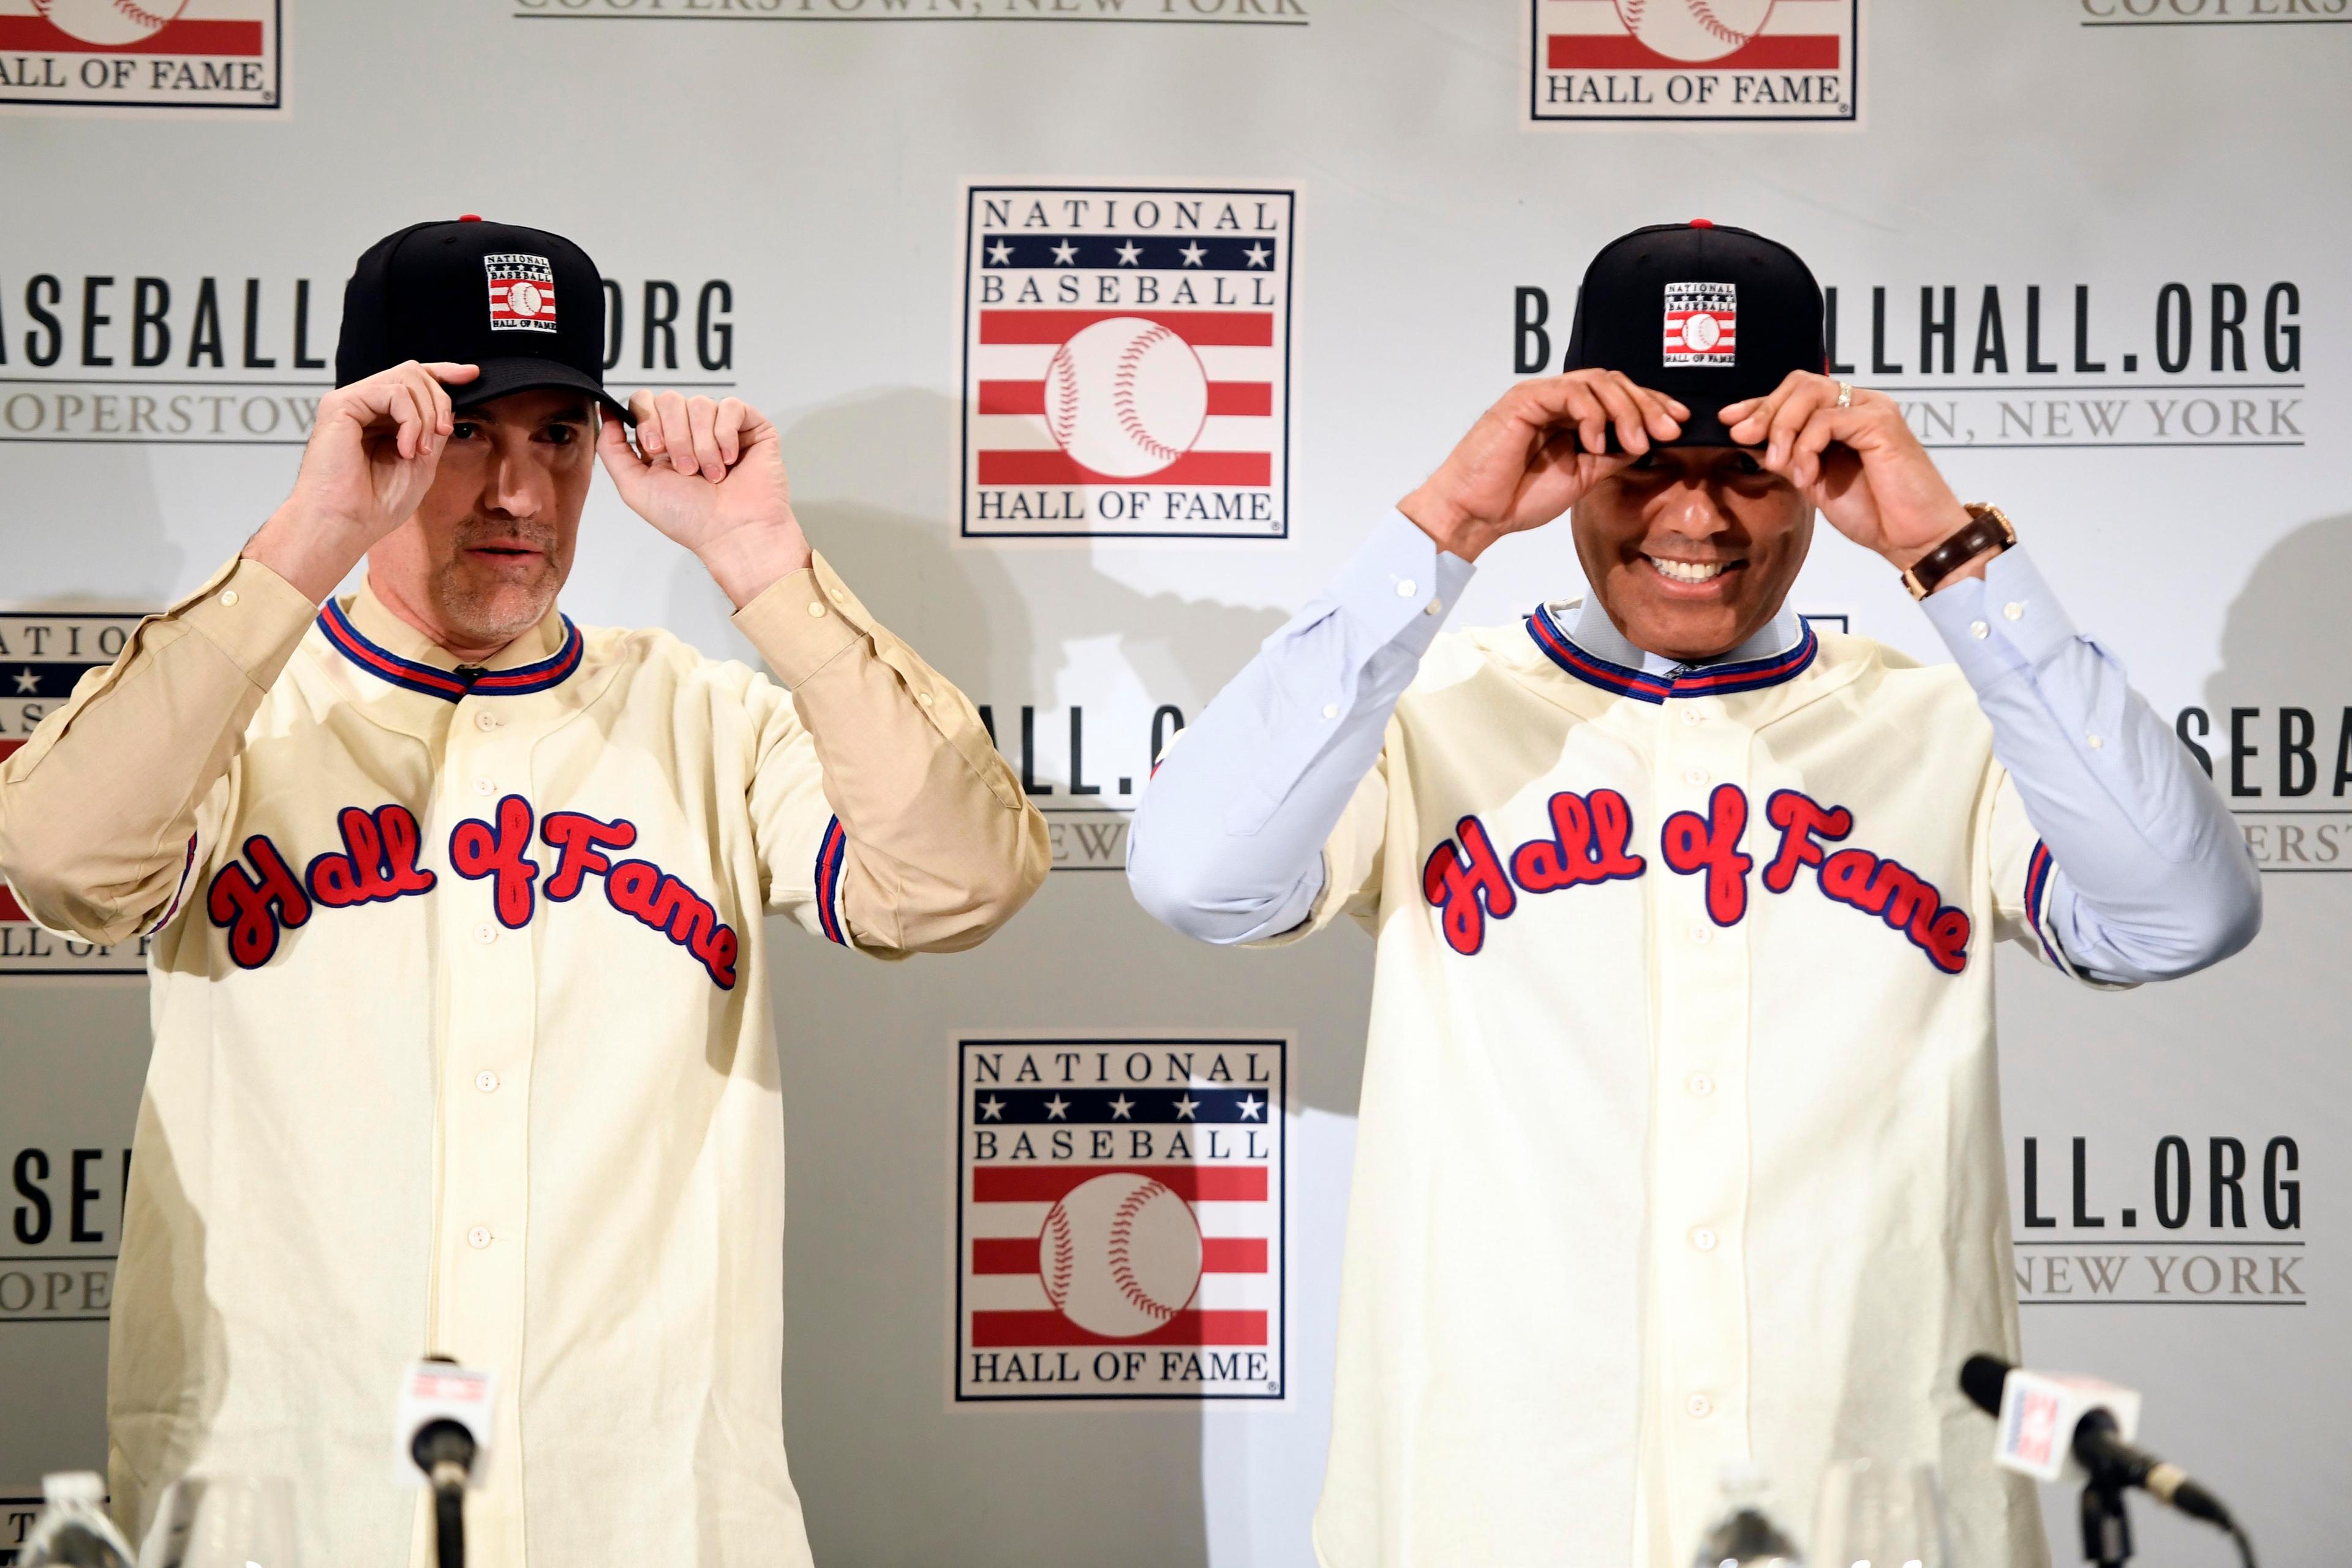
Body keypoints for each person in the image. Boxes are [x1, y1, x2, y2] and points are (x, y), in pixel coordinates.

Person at [1126, 221, 2261, 1568]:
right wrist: (1449, 524)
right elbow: (1196, 875)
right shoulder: (1430, 709)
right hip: (1505, 1518)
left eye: (1748, 471)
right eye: (1651, 466)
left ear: (1822, 462)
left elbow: (2186, 910)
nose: (1698, 518)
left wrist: (1954, 553)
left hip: (1877, 1520)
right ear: (1570, 456)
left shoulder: (1949, 729)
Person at [0, 217, 1048, 1567]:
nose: (522, 494)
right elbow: (59, 860)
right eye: (468, 431)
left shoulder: (705, 721)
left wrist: (767, 570)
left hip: (643, 1524)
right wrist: (311, 538)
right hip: (291, 1516)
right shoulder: (239, 711)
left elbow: (958, 879)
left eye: (558, 435)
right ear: (376, 433)